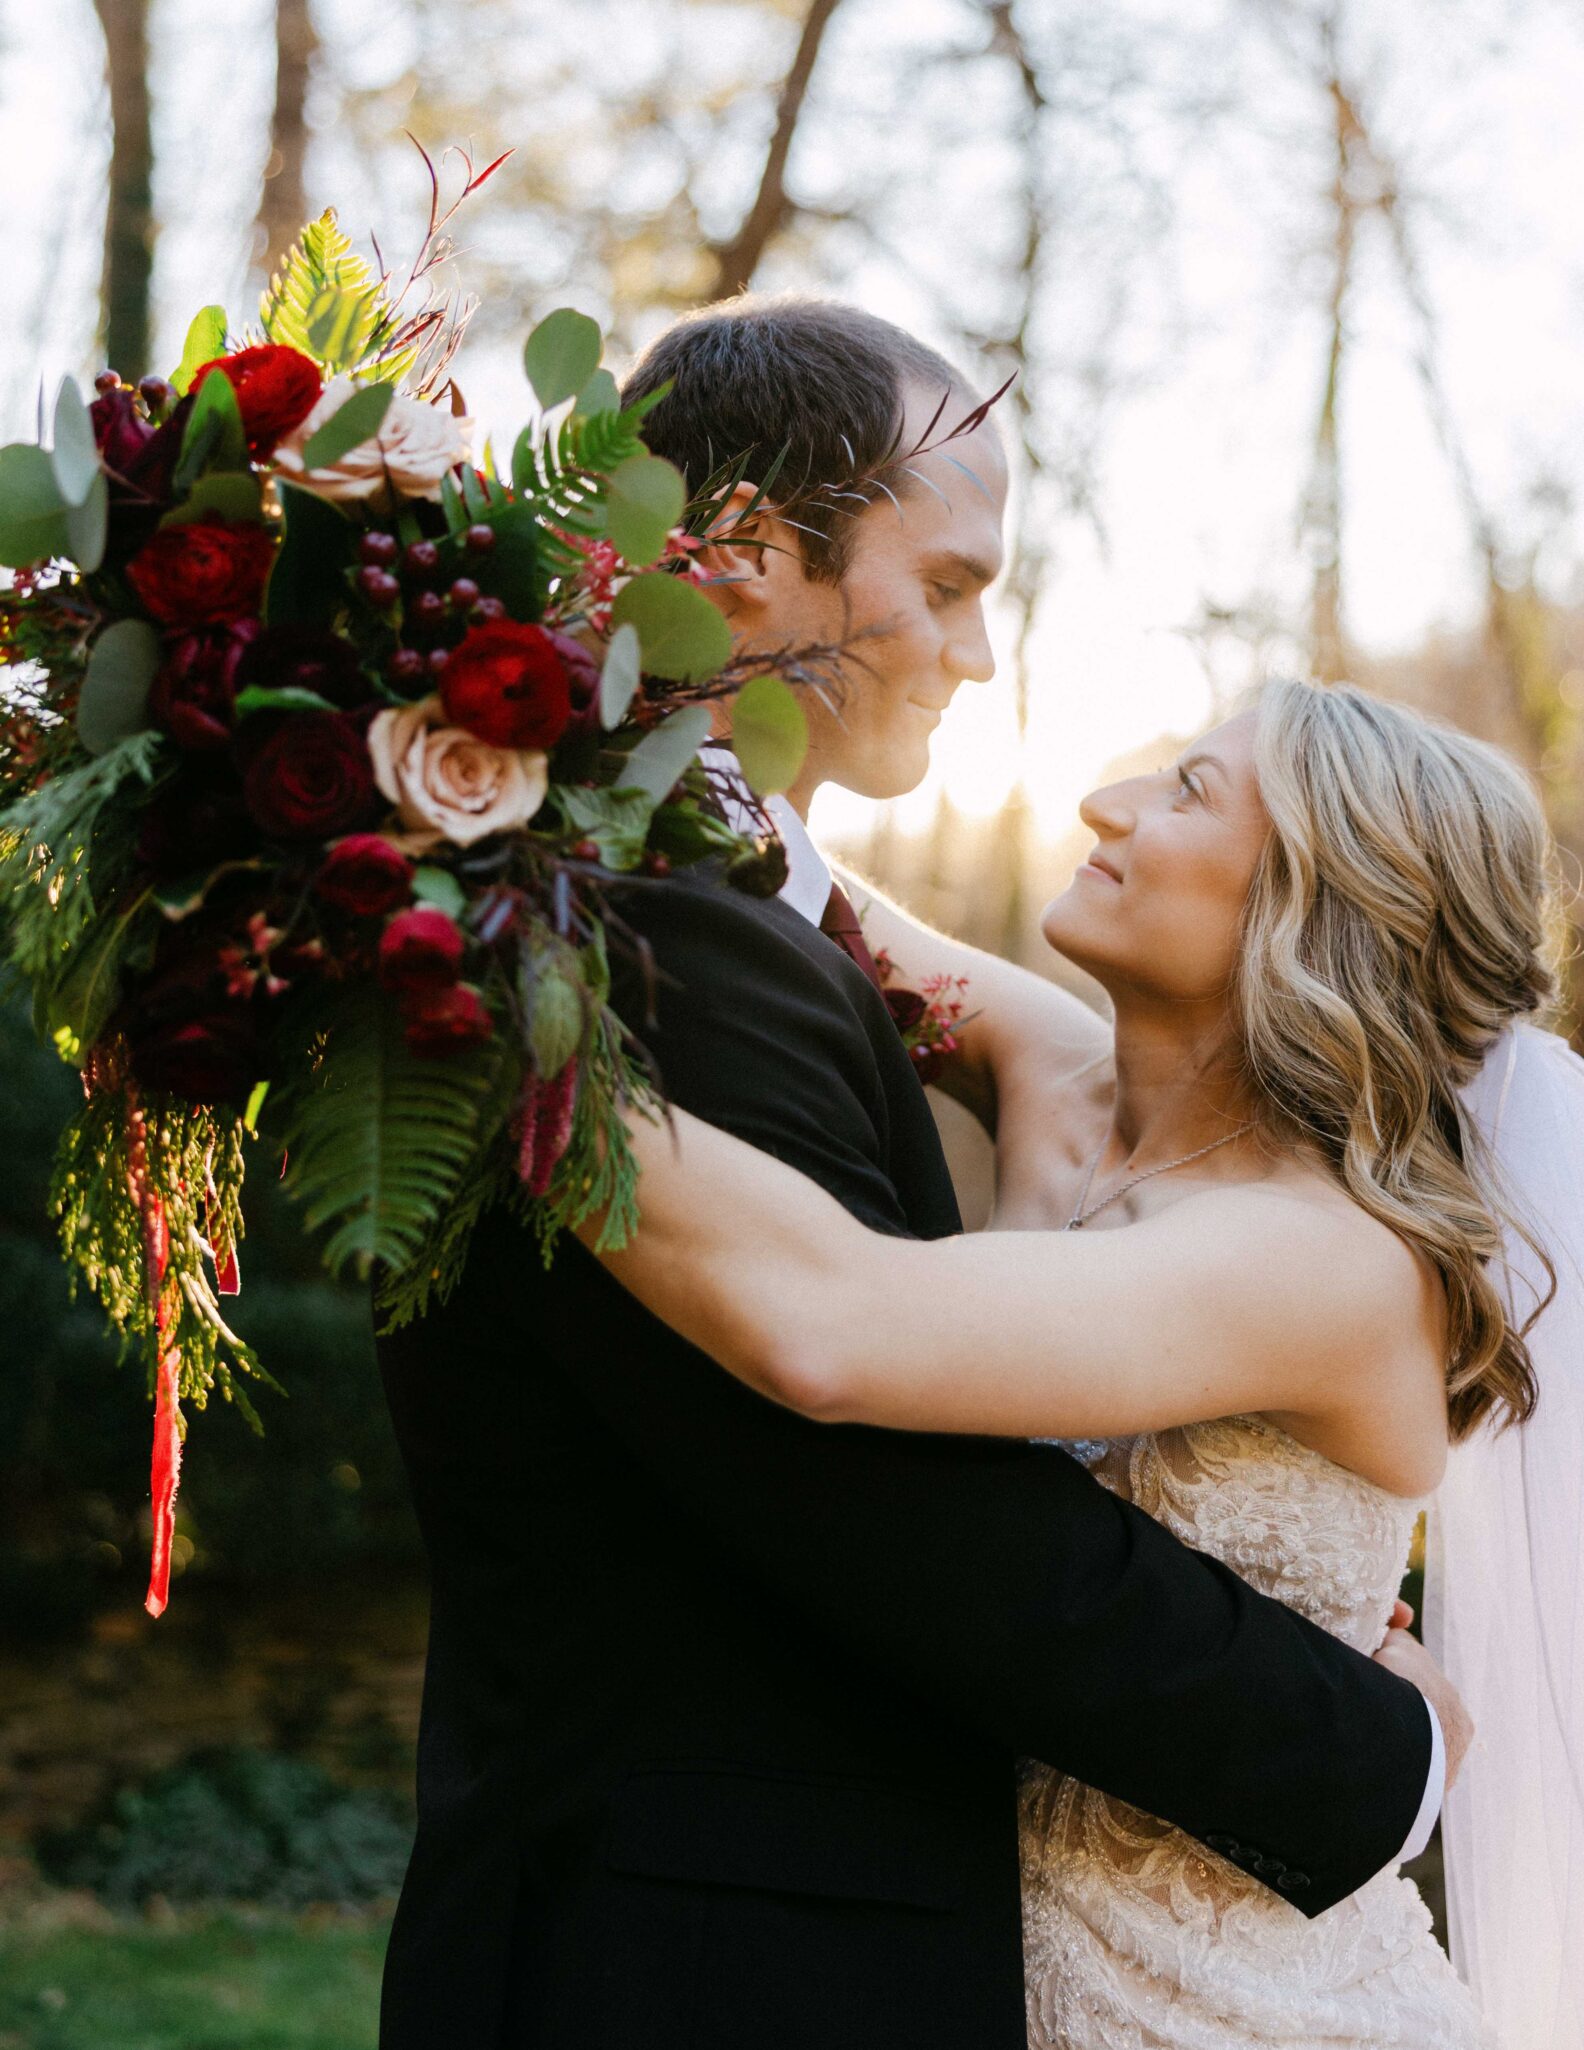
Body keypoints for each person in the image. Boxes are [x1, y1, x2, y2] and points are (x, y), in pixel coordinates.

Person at [373, 300, 1460, 2050]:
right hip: (697, 1956)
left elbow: (862, 1297)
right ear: (734, 556)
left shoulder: (649, 907)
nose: (973, 653)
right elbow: (878, 1487)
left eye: (1186, 789)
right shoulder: (616, 931)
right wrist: (1367, 1743)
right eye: (945, 583)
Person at [590, 676, 1568, 2046]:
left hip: (1256, 2017)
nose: (1106, 803)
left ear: (1311, 910)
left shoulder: (1321, 1264)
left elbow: (825, 1325)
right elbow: (804, 898)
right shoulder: (1059, 1075)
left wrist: (505, 1046)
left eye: (1187, 791)